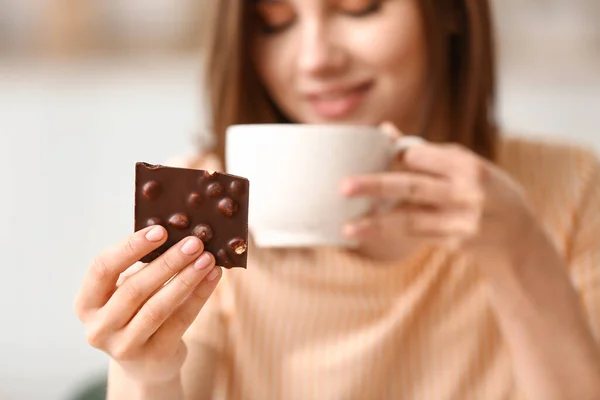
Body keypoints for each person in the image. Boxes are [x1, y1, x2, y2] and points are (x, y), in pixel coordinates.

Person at [74, 0, 600, 399]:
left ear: (448, 12)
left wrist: (520, 252)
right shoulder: (211, 206)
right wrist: (148, 371)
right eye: (276, 21)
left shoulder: (572, 187)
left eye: (358, 7)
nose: (315, 59)